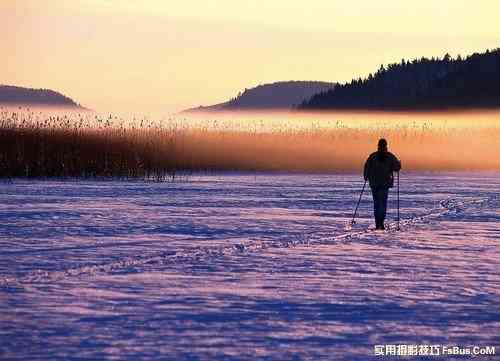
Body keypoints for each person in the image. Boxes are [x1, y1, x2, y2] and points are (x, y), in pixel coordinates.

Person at [364, 138, 401, 230]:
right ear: (386, 145)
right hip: (384, 184)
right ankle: (381, 223)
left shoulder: (373, 156)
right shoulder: (389, 156)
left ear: (378, 145)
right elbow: (396, 168)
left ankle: (378, 224)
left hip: (374, 183)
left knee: (376, 203)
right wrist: (399, 165)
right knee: (383, 203)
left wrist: (366, 177)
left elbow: (366, 167)